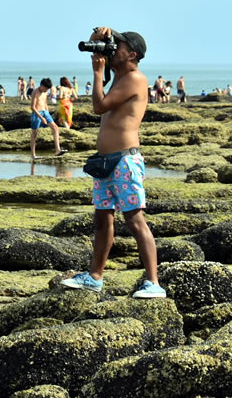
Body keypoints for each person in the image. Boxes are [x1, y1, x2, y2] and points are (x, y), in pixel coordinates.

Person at [61, 27, 165, 299]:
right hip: (106, 162)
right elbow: (99, 50)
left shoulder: (135, 78)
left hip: (124, 161)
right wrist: (98, 38)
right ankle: (95, 277)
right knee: (102, 218)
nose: (112, 49)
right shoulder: (119, 76)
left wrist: (97, 74)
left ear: (132, 54)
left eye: (117, 46)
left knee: (134, 219)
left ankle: (153, 283)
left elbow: (100, 106)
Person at [29, 78, 66, 160]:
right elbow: (32, 107)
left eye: (48, 89)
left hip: (45, 112)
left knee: (55, 128)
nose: (47, 90)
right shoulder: (35, 92)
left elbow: (45, 103)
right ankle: (33, 154)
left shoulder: (45, 92)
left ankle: (58, 150)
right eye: (46, 88)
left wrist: (47, 114)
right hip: (37, 113)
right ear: (42, 85)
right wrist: (41, 118)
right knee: (35, 133)